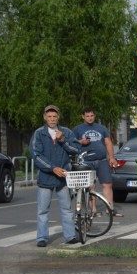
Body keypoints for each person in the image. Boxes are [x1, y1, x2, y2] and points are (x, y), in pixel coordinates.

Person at [30, 105, 81, 247]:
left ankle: (70, 236)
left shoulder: (67, 132)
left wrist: (62, 140)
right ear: (45, 117)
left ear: (58, 117)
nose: (52, 119)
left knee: (66, 209)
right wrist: (52, 168)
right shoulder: (39, 133)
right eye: (49, 116)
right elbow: (36, 155)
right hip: (46, 178)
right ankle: (42, 238)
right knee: (42, 210)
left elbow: (76, 149)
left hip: (63, 178)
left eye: (54, 116)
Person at [73, 107, 122, 217]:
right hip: (86, 161)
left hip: (102, 160)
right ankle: (93, 210)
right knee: (90, 186)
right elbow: (72, 143)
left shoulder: (101, 128)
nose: (90, 118)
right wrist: (81, 141)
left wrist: (112, 157)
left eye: (92, 116)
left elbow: (108, 143)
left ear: (94, 116)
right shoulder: (77, 129)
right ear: (83, 116)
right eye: (87, 116)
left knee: (107, 184)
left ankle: (110, 209)